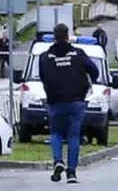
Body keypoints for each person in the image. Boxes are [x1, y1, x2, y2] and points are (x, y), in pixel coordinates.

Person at [39, 22, 99, 184]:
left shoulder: (45, 57)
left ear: (54, 36)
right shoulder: (77, 54)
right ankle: (71, 172)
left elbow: (43, 76)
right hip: (76, 101)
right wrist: (87, 85)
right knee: (74, 136)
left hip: (55, 101)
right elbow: (94, 70)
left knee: (56, 133)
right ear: (67, 36)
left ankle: (58, 160)